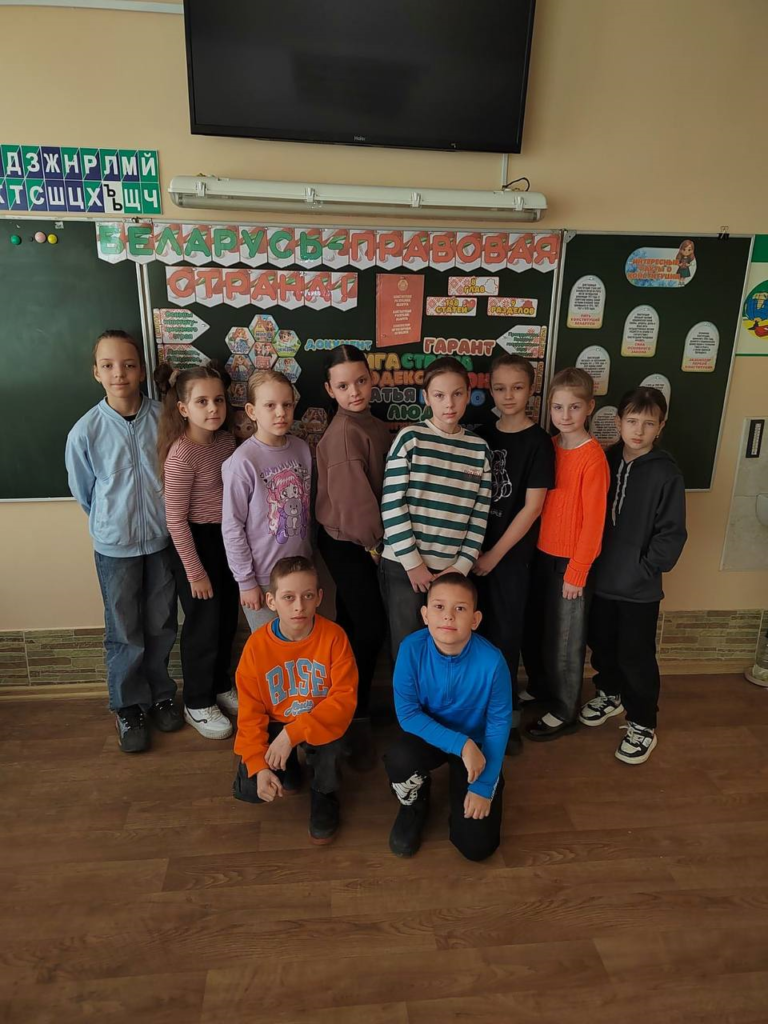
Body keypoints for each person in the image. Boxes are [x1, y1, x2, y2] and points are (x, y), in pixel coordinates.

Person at [65, 330, 178, 753]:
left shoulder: (165, 418)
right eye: (108, 365)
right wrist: (113, 522)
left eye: (129, 364)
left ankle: (161, 694)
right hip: (115, 547)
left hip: (162, 541)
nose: (119, 373)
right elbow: (84, 492)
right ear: (96, 372)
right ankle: (128, 706)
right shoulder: (86, 431)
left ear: (142, 370)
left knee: (161, 623)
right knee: (124, 629)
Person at [580, 387, 687, 764]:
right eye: (632, 421)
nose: (639, 431)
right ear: (619, 422)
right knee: (602, 644)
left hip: (639, 589)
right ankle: (609, 694)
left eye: (649, 423)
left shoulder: (666, 473)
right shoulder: (605, 459)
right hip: (601, 581)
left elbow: (672, 533)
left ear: (661, 426)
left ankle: (642, 723)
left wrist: (644, 568)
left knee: (636, 656)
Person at [383, 573, 512, 861]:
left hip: (476, 747)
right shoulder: (411, 649)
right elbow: (408, 714)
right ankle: (415, 802)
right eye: (439, 607)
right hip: (432, 738)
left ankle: (463, 798)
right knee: (399, 758)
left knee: (477, 848)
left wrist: (482, 785)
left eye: (460, 608)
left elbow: (499, 724)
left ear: (475, 620)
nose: (448, 616)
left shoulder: (493, 662)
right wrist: (461, 744)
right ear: (425, 615)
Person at [232, 556, 358, 845]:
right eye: (288, 597)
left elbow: (343, 701)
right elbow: (250, 713)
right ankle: (287, 768)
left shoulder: (335, 638)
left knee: (334, 745)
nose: (299, 606)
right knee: (250, 787)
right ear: (272, 601)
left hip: (318, 720)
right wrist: (258, 765)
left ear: (319, 598)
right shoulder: (256, 647)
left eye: (307, 596)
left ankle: (324, 793)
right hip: (276, 720)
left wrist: (292, 734)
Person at [379, 356, 492, 658]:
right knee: (407, 646)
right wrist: (413, 564)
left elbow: (479, 515)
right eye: (439, 395)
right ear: (426, 397)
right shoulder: (410, 439)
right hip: (404, 567)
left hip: (452, 569)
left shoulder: (479, 449)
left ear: (468, 395)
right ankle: (406, 694)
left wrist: (461, 567)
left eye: (457, 394)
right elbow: (392, 505)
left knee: (447, 648)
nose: (449, 404)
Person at [473, 353, 555, 755]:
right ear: (490, 389)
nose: (508, 396)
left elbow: (532, 507)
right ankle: (473, 714)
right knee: (473, 635)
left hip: (510, 559)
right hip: (470, 554)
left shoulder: (538, 442)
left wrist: (494, 556)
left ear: (531, 390)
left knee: (505, 639)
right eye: (500, 388)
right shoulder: (480, 434)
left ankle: (505, 723)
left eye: (517, 387)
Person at [524, 367, 610, 742]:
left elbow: (594, 523)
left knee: (566, 640)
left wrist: (578, 571)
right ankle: (543, 689)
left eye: (574, 407)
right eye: (558, 407)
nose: (565, 415)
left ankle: (565, 709)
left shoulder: (593, 458)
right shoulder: (550, 445)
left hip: (571, 565)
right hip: (542, 557)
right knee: (541, 631)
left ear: (589, 407)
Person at [316, 345, 392, 766]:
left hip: (360, 540)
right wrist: (375, 546)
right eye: (343, 386)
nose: (355, 391)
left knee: (352, 626)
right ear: (330, 390)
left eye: (361, 381)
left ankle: (344, 709)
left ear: (371, 379)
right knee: (368, 628)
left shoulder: (371, 423)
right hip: (352, 542)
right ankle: (353, 715)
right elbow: (355, 504)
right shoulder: (345, 432)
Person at [156, 360, 240, 741]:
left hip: (226, 539)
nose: (213, 408)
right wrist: (195, 572)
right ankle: (196, 701)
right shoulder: (181, 455)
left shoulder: (225, 442)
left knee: (225, 620)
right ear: (183, 408)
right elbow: (175, 521)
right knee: (203, 626)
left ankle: (219, 684)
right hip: (194, 543)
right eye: (202, 401)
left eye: (218, 400)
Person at [222, 369, 312, 633]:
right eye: (270, 405)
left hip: (300, 572)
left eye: (287, 405)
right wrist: (245, 581)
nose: (280, 413)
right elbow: (232, 526)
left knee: (300, 642)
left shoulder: (301, 449)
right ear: (252, 411)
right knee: (269, 645)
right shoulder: (243, 461)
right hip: (263, 578)